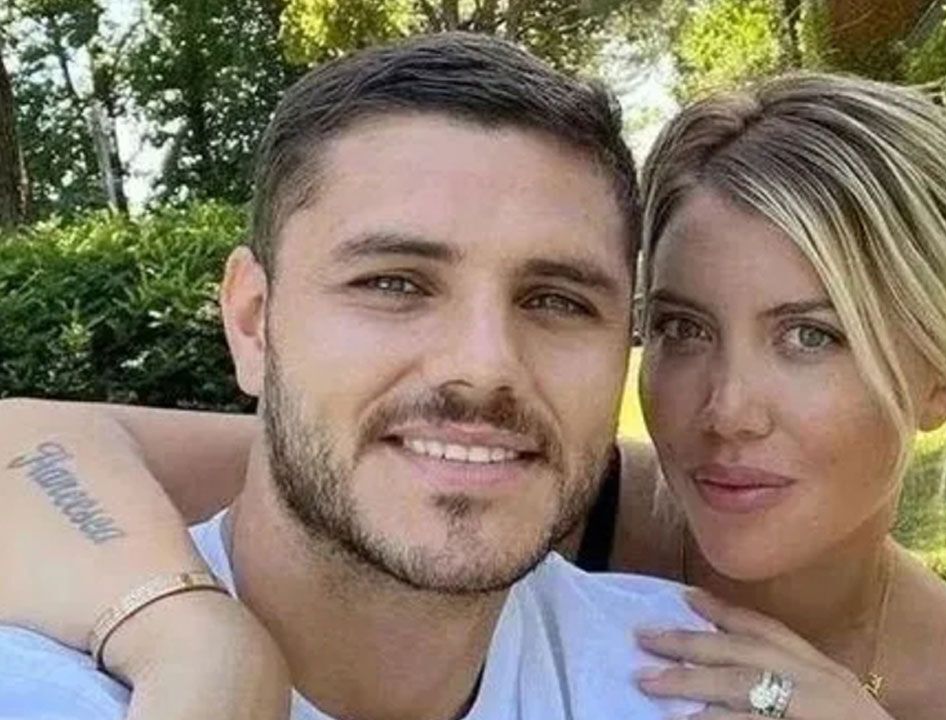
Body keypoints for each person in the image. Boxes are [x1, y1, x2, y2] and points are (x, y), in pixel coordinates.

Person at [0, 67, 946, 720]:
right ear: (252, 319)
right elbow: (34, 449)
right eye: (681, 328)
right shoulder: (598, 491)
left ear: (938, 379)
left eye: (812, 336)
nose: (725, 410)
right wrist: (201, 645)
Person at [0, 32, 729, 720]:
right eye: (394, 284)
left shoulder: (708, 686)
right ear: (252, 321)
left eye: (557, 301)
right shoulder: (46, 690)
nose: (484, 366)